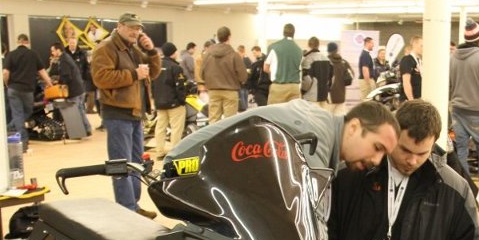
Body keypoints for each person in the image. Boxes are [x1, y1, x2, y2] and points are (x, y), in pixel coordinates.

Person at [329, 99, 479, 240]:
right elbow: (324, 231)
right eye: (405, 150)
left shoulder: (453, 189)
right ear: (393, 136)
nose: (412, 161)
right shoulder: (352, 172)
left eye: (422, 153)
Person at [167, 99, 398, 177]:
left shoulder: (323, 124)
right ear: (354, 127)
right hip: (185, 167)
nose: (377, 161)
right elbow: (306, 215)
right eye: (377, 147)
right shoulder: (315, 137)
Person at [91, 12, 161, 218]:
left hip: (135, 113)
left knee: (136, 163)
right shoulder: (105, 48)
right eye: (131, 27)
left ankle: (134, 206)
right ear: (120, 26)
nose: (135, 32)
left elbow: (153, 74)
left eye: (138, 28)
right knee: (121, 165)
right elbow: (101, 78)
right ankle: (127, 209)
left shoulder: (134, 49)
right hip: (117, 113)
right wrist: (133, 75)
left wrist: (152, 52)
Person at [450, 19, 479, 200]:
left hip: (457, 110)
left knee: (461, 149)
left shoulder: (453, 57)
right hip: (477, 111)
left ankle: (464, 187)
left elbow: (448, 84)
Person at [3, 33, 53, 153]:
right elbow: (42, 71)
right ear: (27, 42)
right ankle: (23, 142)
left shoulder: (11, 55)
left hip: (13, 89)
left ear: (18, 42)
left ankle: (9, 128)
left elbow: (5, 72)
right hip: (27, 90)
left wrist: (7, 84)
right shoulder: (33, 54)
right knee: (27, 112)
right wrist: (50, 83)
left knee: (18, 114)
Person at [201, 26, 246, 124]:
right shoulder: (234, 55)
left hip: (213, 91)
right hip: (230, 91)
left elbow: (201, 73)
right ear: (229, 37)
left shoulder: (208, 54)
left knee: (213, 121)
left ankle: (213, 139)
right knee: (229, 123)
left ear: (217, 37)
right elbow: (243, 76)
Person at [150, 42, 187, 159]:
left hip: (160, 103)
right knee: (176, 129)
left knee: (160, 128)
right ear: (173, 53)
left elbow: (152, 85)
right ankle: (175, 153)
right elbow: (180, 86)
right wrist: (182, 101)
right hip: (174, 103)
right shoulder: (176, 67)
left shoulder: (156, 66)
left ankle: (159, 152)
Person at [49, 41, 90, 137]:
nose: (52, 53)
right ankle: (87, 129)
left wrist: (58, 83)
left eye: (53, 51)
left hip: (74, 90)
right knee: (80, 110)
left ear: (58, 50)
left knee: (74, 112)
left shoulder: (64, 60)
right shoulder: (66, 57)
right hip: (79, 88)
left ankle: (78, 133)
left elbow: (66, 76)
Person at [264, 23, 302, 105]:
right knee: (293, 115)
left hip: (278, 87)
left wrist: (275, 72)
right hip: (294, 87)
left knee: (274, 115)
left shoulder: (273, 47)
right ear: (294, 34)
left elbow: (265, 68)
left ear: (283, 33)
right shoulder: (299, 50)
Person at [64, 36, 94, 117]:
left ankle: (81, 119)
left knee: (80, 102)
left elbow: (86, 67)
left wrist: (85, 78)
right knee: (69, 102)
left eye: (74, 43)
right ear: (68, 43)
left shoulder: (82, 53)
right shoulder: (64, 53)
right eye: (71, 42)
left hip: (80, 81)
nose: (72, 44)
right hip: (67, 82)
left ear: (76, 43)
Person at [301, 36, 331, 106]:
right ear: (318, 45)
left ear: (308, 45)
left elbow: (307, 79)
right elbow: (330, 78)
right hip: (324, 96)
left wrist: (303, 91)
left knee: (311, 117)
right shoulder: (326, 59)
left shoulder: (307, 58)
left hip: (311, 97)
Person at [326, 42, 353, 116]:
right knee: (340, 120)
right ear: (337, 50)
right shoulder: (343, 62)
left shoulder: (325, 62)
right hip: (341, 96)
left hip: (328, 97)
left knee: (327, 119)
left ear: (328, 50)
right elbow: (351, 76)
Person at [399, 36, 422, 101]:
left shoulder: (419, 61)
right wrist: (411, 100)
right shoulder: (407, 60)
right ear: (415, 44)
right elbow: (406, 82)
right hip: (408, 100)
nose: (423, 48)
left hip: (418, 98)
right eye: (421, 46)